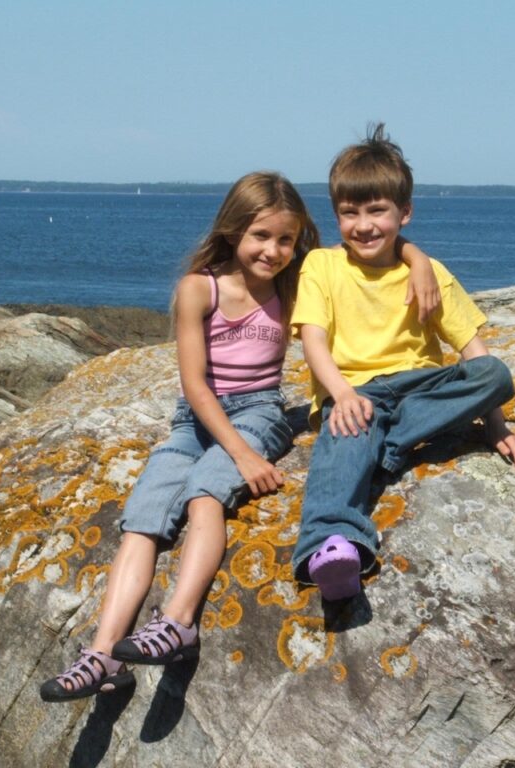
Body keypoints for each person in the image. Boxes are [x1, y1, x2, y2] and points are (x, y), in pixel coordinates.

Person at [41, 171, 441, 701]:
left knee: (206, 492)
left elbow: (368, 246)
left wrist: (416, 261)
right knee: (143, 518)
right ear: (232, 230)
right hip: (194, 418)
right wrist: (240, 454)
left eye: (285, 240)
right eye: (261, 236)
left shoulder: (295, 282)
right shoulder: (199, 288)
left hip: (260, 413)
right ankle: (103, 654)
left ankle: (179, 621)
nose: (273, 250)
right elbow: (194, 384)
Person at [291, 124, 515, 602]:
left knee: (495, 375)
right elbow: (313, 340)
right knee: (342, 444)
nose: (364, 225)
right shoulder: (321, 265)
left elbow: (472, 349)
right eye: (350, 212)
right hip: (357, 393)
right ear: (336, 215)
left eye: (377, 210)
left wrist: (496, 427)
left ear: (404, 213)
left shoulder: (429, 272)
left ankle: (389, 444)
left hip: (420, 391)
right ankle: (331, 545)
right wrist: (340, 394)